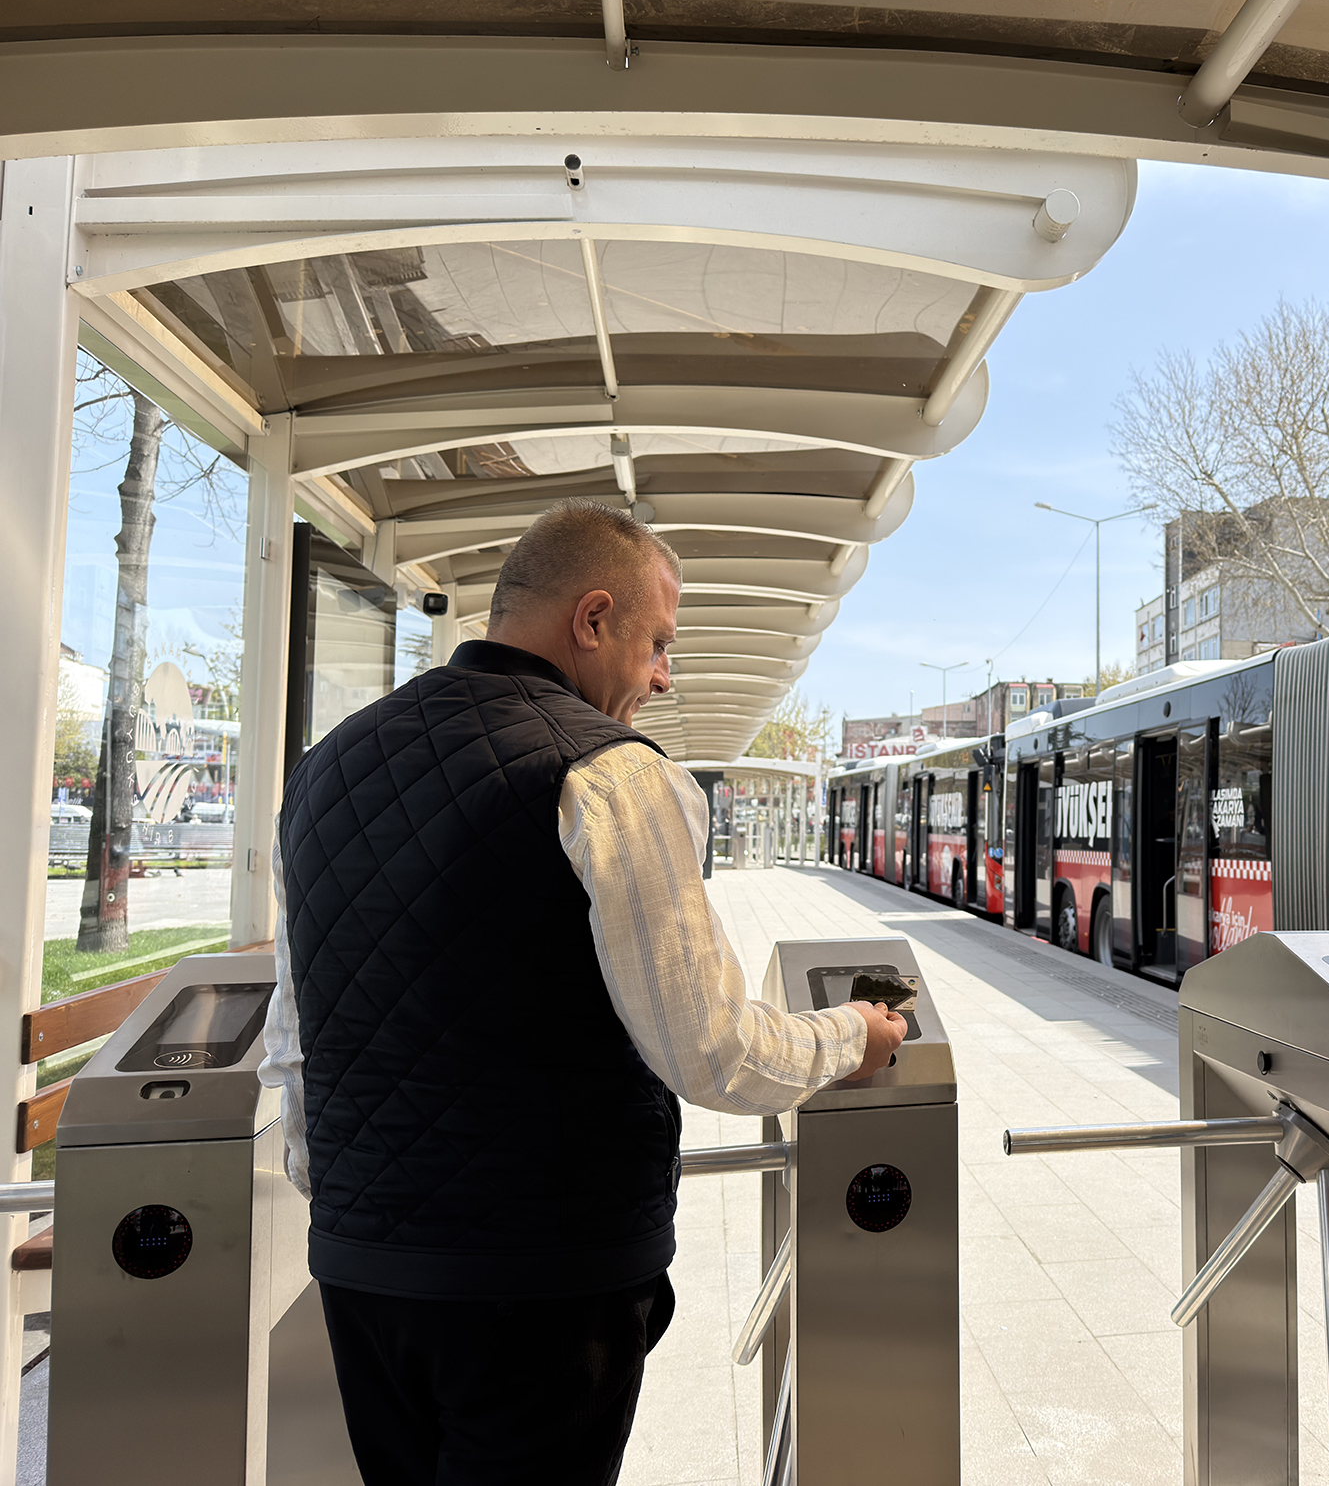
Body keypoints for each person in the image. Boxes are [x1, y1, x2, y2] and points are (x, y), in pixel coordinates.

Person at [259, 499, 906, 1486]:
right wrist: (851, 1035)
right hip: (541, 1285)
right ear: (593, 618)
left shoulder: (323, 771)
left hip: (361, 1271)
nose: (663, 676)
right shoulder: (610, 774)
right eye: (659, 643)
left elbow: (294, 1039)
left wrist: (358, 1207)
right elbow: (711, 1051)